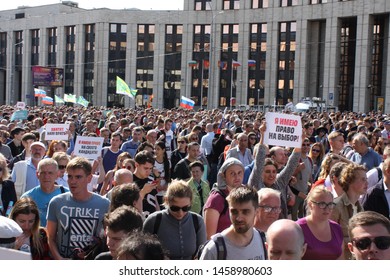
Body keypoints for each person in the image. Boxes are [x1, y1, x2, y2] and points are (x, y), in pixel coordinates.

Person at [46, 157, 110, 259]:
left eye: (78, 177)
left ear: (89, 178)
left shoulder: (104, 204)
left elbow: (110, 237)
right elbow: (50, 237)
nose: (73, 181)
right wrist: (60, 259)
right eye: (70, 177)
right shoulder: (56, 202)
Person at [248, 123, 301, 218]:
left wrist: (299, 141)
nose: (271, 175)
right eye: (267, 171)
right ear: (261, 173)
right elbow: (259, 161)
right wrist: (263, 135)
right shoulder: (256, 183)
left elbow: (291, 165)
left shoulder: (279, 183)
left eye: (274, 171)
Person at [143, 180, 206, 260]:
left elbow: (202, 253)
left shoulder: (197, 221)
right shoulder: (153, 221)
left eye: (185, 208)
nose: (180, 213)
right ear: (166, 201)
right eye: (175, 208)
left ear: (191, 202)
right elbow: (143, 253)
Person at [200, 186, 267, 260]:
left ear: (256, 212)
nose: (239, 218)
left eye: (245, 212)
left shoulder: (263, 240)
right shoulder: (214, 249)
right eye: (234, 212)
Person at [296, 186, 343, 259]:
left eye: (330, 204)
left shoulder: (337, 228)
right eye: (322, 204)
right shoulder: (298, 228)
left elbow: (341, 258)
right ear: (310, 205)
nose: (327, 209)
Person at [331, 163, 367, 259]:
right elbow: (329, 238)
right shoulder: (335, 207)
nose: (367, 183)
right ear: (350, 181)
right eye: (363, 179)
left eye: (366, 179)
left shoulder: (360, 208)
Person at [203, 158, 245, 240]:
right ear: (223, 176)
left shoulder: (244, 194)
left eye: (239, 173)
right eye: (232, 173)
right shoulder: (216, 199)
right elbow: (209, 237)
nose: (237, 177)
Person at [21, 158, 69, 227]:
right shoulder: (27, 197)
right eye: (43, 173)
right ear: (37, 174)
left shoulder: (67, 194)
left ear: (57, 175)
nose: (46, 176)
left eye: (50, 173)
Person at [133, 150, 159, 217]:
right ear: (136, 165)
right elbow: (130, 205)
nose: (148, 171)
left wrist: (159, 215)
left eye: (151, 168)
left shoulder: (151, 179)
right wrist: (143, 192)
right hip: (137, 220)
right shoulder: (130, 180)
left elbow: (154, 199)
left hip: (152, 219)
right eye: (145, 168)